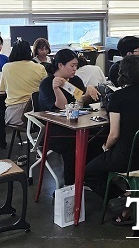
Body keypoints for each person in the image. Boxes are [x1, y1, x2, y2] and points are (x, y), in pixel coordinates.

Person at [85, 55, 139, 203]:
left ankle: (122, 197)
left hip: (127, 158)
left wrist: (105, 147)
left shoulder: (118, 97)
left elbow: (114, 135)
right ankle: (132, 196)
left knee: (89, 171)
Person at [37, 49, 100, 185]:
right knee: (73, 143)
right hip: (55, 129)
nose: (75, 69)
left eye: (76, 66)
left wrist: (90, 89)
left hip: (76, 124)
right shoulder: (47, 84)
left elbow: (81, 100)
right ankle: (71, 183)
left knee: (98, 136)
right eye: (72, 66)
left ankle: (90, 177)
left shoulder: (75, 80)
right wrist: (57, 89)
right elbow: (62, 106)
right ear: (60, 65)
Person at [1, 39, 46, 127]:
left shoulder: (6, 67)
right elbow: (45, 90)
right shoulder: (40, 67)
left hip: (14, 115)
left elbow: (2, 89)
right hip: (36, 114)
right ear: (29, 52)